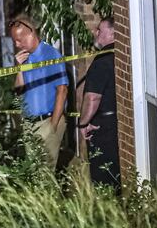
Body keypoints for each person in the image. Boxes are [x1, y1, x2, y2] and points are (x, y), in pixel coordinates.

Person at [10, 15, 69, 169]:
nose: (17, 44)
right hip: (30, 124)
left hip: (47, 122)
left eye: (19, 39)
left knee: (45, 175)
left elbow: (62, 90)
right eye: (14, 40)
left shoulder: (51, 55)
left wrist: (53, 126)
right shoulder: (25, 59)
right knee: (34, 174)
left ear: (31, 33)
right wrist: (19, 69)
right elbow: (18, 89)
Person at [78, 16, 121, 192]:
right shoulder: (121, 57)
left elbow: (92, 98)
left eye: (99, 30)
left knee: (103, 176)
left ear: (112, 33)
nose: (95, 33)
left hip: (102, 128)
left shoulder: (101, 62)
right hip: (118, 122)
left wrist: (83, 123)